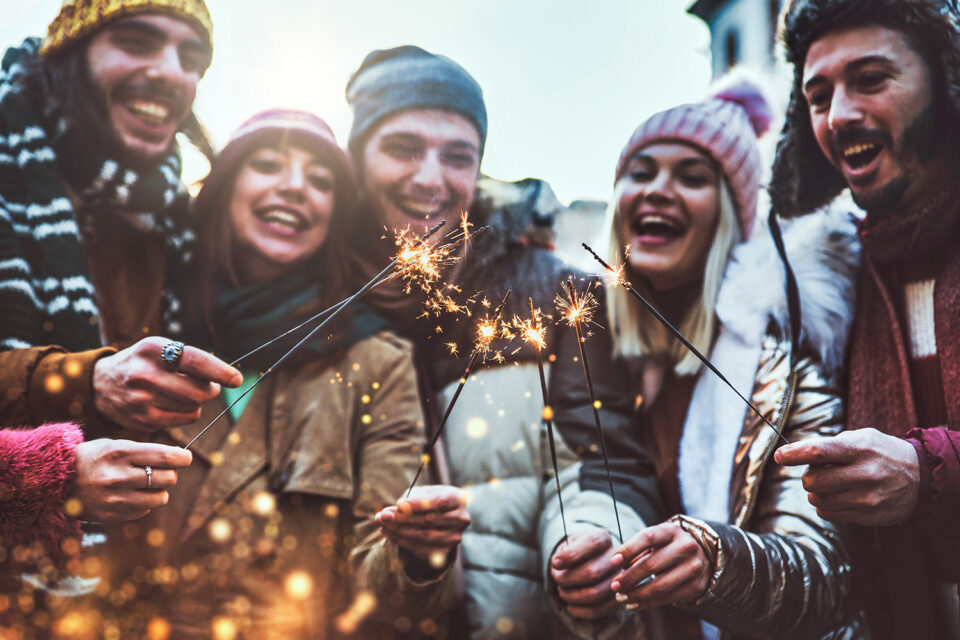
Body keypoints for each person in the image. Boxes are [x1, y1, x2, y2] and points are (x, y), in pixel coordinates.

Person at [101, 109, 462, 639]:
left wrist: (417, 556)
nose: (295, 188)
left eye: (320, 180)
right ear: (224, 187)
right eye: (268, 164)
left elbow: (387, 599)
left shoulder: (376, 361)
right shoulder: (133, 324)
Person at [345, 45, 661, 639]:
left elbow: (603, 458)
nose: (430, 178)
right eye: (402, 148)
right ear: (357, 157)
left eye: (457, 156)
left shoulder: (560, 294)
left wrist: (589, 546)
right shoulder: (316, 300)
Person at [583, 74, 866, 639]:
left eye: (692, 178)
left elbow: (823, 573)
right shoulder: (594, 351)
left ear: (731, 216)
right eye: (641, 172)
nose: (658, 190)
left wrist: (718, 562)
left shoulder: (781, 361)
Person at [769, 1, 960, 638]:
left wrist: (926, 472)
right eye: (817, 95)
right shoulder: (832, 283)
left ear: (945, 73)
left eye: (871, 79)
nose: (839, 114)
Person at [0, 0, 241, 439]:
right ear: (70, 59)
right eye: (136, 43)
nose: (170, 72)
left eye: (191, 59)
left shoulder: (173, 227)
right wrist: (83, 385)